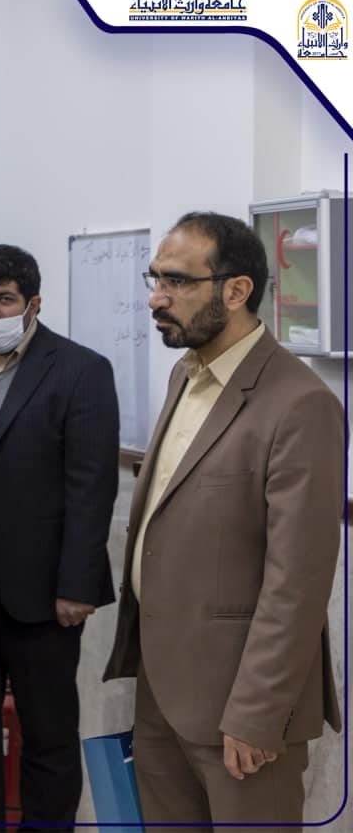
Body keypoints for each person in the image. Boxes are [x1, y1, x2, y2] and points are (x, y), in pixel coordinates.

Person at [104, 212, 343, 827]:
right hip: (163, 692)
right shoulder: (186, 376)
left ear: (236, 291)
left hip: (242, 709)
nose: (156, 298)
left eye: (177, 282)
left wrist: (257, 713)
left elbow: (297, 583)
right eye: (155, 278)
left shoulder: (300, 403)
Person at [0, 243, 120, 826]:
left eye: (5, 300)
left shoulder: (80, 370)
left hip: (44, 595)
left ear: (33, 304)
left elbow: (91, 487)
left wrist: (77, 585)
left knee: (48, 734)